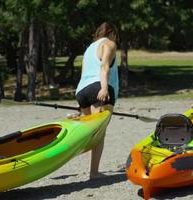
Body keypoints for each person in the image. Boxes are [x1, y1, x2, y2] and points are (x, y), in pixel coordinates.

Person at [75, 22, 119, 179]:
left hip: (82, 91)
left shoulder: (89, 49)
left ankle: (91, 168)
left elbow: (83, 74)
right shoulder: (109, 44)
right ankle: (94, 172)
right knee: (99, 133)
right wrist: (104, 88)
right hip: (98, 89)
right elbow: (104, 66)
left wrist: (79, 104)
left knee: (90, 133)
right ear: (111, 33)